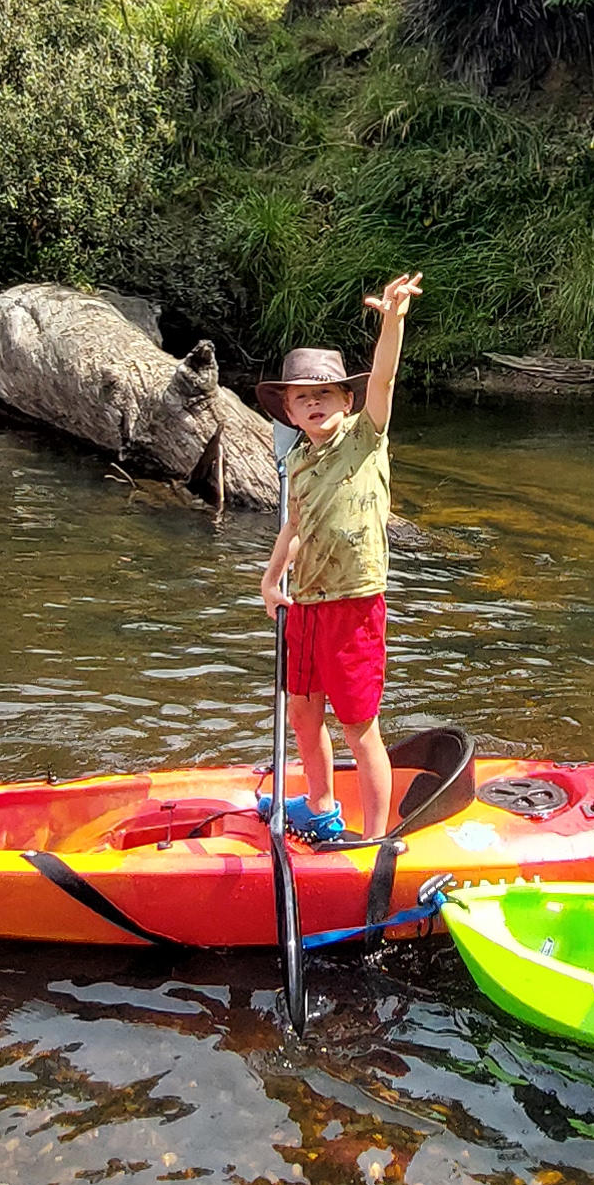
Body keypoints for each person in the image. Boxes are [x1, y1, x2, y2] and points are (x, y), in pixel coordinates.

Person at [255, 273, 421, 846]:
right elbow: (295, 525)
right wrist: (271, 578)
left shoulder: (365, 437)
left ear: (345, 401)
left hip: (354, 603)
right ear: (291, 414)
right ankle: (322, 806)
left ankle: (376, 836)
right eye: (303, 398)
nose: (314, 403)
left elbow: (385, 378)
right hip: (306, 603)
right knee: (302, 713)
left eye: (324, 393)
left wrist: (392, 320)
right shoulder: (297, 462)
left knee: (358, 726)